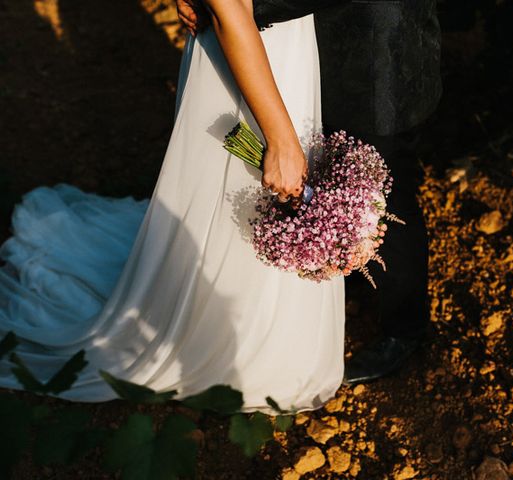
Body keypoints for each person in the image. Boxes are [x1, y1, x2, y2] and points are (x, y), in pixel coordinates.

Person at [0, 0, 344, 414]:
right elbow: (231, 12)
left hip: (279, 47)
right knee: (247, 207)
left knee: (262, 210)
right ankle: (235, 346)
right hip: (251, 63)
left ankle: (276, 336)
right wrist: (281, 140)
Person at [179, 0, 443, 384]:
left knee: (384, 186)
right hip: (300, 49)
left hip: (372, 44)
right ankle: (339, 272)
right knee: (328, 175)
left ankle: (405, 327)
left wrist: (233, 8)